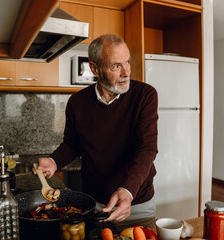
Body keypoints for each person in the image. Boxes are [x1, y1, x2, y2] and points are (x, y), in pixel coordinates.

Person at [36, 34, 158, 231]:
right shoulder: (77, 103)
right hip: (95, 204)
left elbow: (147, 148)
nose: (126, 72)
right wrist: (54, 161)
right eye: (116, 66)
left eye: (127, 62)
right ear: (94, 68)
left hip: (137, 204)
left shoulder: (145, 95)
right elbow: (71, 144)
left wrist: (127, 190)